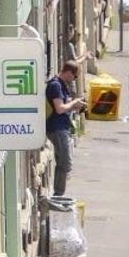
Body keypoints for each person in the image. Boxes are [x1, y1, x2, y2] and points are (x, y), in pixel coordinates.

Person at [44, 58, 83, 195]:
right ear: (68, 72)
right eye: (74, 76)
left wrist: (75, 103)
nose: (74, 79)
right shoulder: (56, 85)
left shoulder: (61, 85)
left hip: (62, 127)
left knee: (63, 161)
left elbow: (64, 104)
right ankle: (59, 194)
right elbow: (59, 108)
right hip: (57, 128)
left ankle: (59, 192)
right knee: (65, 162)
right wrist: (73, 104)